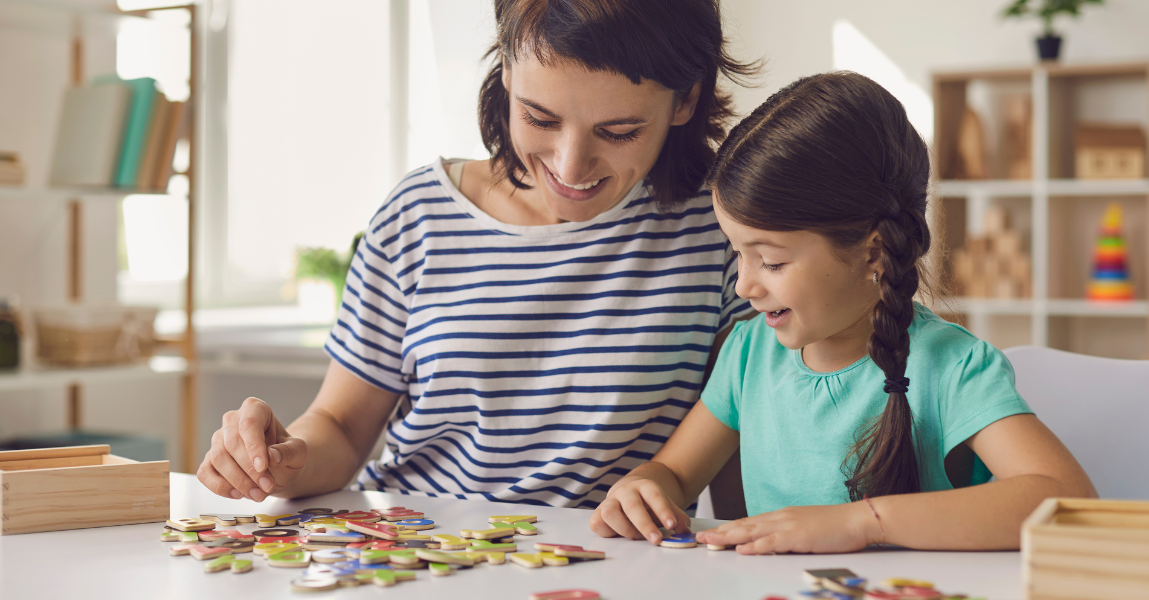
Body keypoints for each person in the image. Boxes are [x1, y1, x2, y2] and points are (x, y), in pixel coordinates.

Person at [197, 0, 758, 508]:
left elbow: (744, 435)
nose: (569, 166)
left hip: (606, 570)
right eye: (540, 118)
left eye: (618, 131)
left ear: (685, 98)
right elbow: (341, 429)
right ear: (507, 72)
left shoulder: (725, 228)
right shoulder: (419, 214)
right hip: (413, 553)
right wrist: (280, 460)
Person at [589, 71, 1097, 552]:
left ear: (872, 252)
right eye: (737, 254)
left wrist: (862, 523)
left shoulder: (950, 366)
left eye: (771, 261)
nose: (745, 285)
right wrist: (644, 486)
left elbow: (1068, 501)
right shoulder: (749, 354)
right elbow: (675, 475)